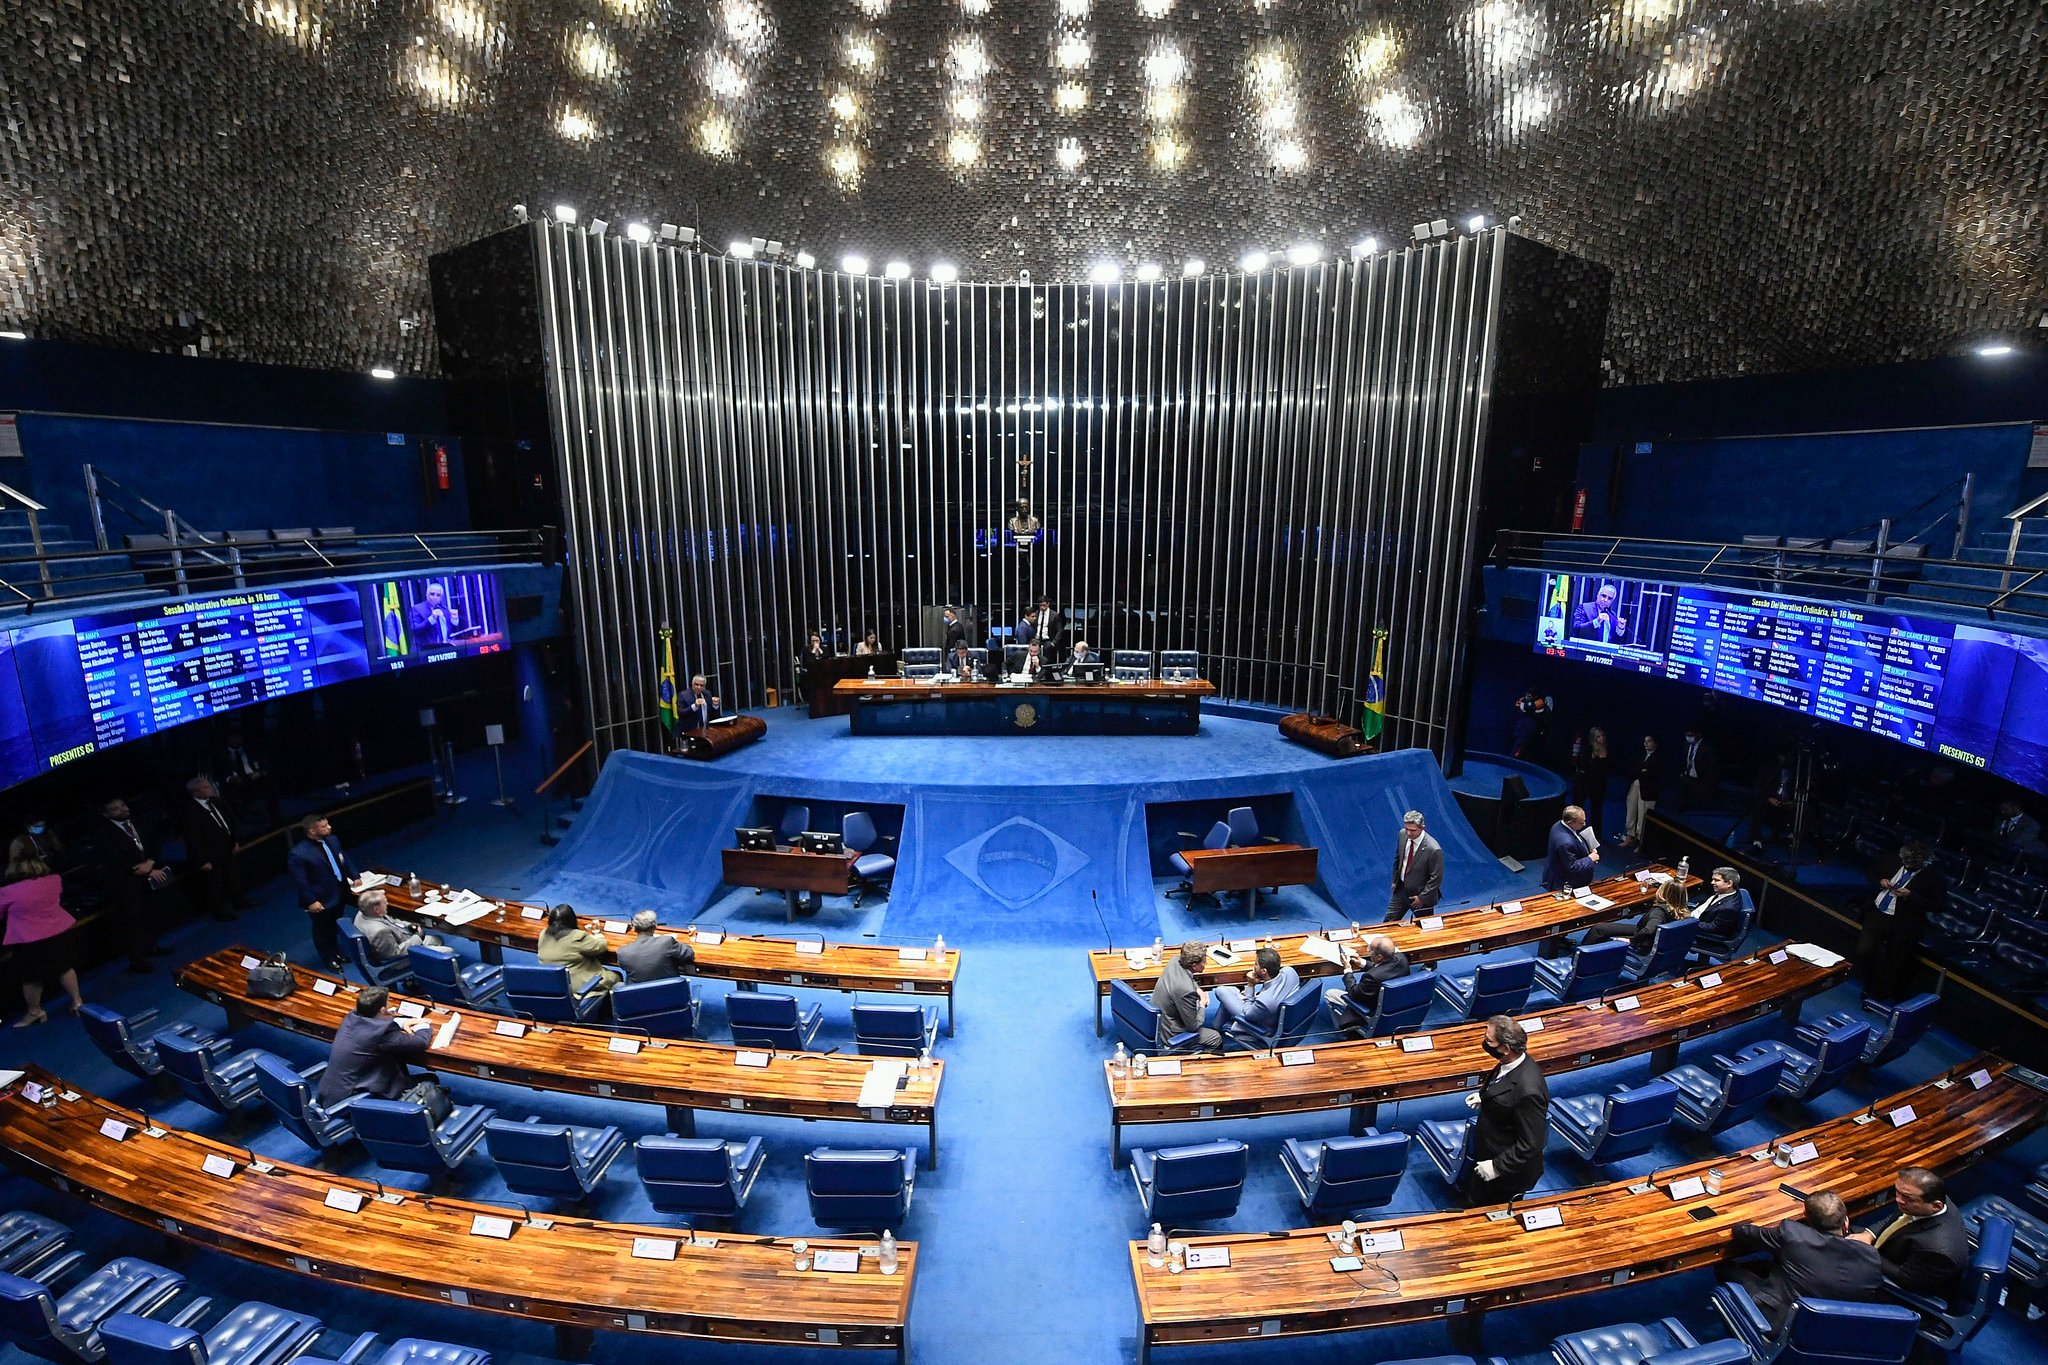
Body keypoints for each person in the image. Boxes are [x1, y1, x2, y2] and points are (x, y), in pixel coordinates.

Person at [1720, 1192, 1884, 1331]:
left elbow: (1742, 1231)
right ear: (1846, 1221)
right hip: (1840, 1331)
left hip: (1787, 1326)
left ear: (1807, 1219)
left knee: (1726, 1267)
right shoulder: (1871, 1256)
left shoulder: (1793, 1234)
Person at [1461, 1015, 1549, 1204]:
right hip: (1489, 1149)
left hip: (1507, 1174)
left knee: (1483, 1212)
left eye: (1489, 1040)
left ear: (1506, 1048)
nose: (1485, 1043)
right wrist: (1485, 1097)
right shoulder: (1513, 1063)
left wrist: (1497, 1167)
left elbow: (1532, 1144)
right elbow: (1503, 1086)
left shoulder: (1529, 1091)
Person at [1850, 1167, 1969, 1301]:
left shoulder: (1938, 1252)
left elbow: (1904, 1279)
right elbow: (1898, 1217)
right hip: (1891, 1247)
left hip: (1897, 1289)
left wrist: (1866, 1252)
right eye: (1897, 1192)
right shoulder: (1925, 1202)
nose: (1898, 1200)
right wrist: (1869, 1234)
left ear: (1936, 1206)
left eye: (1906, 1197)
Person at [1, 853, 84, 1026]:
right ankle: (77, 1002)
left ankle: (35, 1012)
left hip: (27, 939)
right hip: (56, 931)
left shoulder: (7, 892)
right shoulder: (54, 880)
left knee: (30, 977)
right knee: (63, 967)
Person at [315, 985, 433, 1106]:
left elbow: (375, 1025)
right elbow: (420, 1042)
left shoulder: (351, 1017)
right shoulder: (381, 1033)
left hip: (329, 1092)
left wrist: (403, 1022)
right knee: (431, 1080)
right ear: (382, 1010)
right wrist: (423, 1025)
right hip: (350, 1100)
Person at [92, 797, 169, 973]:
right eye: (116, 809)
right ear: (106, 814)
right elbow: (113, 859)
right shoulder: (104, 834)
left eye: (123, 806)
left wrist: (150, 862)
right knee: (133, 920)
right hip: (126, 882)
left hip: (147, 875)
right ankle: (137, 960)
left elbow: (153, 842)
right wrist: (143, 869)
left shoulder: (138, 822)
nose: (122, 810)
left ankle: (152, 946)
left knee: (149, 914)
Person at [1859, 840, 1942, 1003]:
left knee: (1893, 961)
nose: (1908, 865)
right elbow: (1871, 873)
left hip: (1903, 923)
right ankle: (1869, 983)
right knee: (1864, 951)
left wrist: (1911, 896)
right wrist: (1880, 881)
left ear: (1923, 863)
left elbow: (1937, 905)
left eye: (1913, 864)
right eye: (1906, 862)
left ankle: (1878, 993)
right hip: (1877, 914)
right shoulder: (1891, 861)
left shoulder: (1933, 879)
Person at [288, 812, 359, 970]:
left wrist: (354, 875)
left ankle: (336, 952)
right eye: (324, 826)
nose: (329, 827)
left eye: (328, 824)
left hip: (339, 892)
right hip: (320, 899)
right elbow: (301, 881)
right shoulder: (298, 853)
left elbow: (343, 858)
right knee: (322, 930)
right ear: (312, 831)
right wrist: (311, 901)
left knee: (335, 925)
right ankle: (328, 959)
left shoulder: (333, 840)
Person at [178, 776, 243, 922]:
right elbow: (192, 839)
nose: (212, 788)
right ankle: (219, 912)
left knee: (232, 876)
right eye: (207, 787)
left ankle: (239, 901)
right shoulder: (190, 812)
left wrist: (234, 841)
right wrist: (201, 860)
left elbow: (229, 821)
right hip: (209, 853)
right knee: (214, 883)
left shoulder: (216, 801)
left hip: (226, 846)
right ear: (196, 792)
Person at [1208, 946, 1299, 1047]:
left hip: (1260, 1022)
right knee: (1230, 991)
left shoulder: (1265, 1001)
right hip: (1271, 1009)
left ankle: (1215, 1030)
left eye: (1256, 964)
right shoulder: (1290, 972)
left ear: (1264, 971)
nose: (1254, 966)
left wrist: (1250, 986)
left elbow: (1248, 1014)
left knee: (1221, 991)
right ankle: (1216, 1028)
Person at [1581, 878, 1687, 955]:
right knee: (1601, 928)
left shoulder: (1659, 911)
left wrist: (1631, 941)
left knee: (1598, 929)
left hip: (1643, 942)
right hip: (1651, 938)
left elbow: (1648, 930)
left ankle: (1579, 955)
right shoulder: (1680, 910)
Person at [1325, 934, 1410, 1028]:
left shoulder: (1371, 977)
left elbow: (1353, 993)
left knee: (1330, 993)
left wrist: (1347, 969)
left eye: (1370, 949)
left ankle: (1344, 1032)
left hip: (1373, 1008)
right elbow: (1384, 969)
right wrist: (1362, 963)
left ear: (1379, 957)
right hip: (1396, 1004)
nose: (1368, 951)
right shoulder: (1402, 958)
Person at [1150, 943, 1222, 1051]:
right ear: (1194, 966)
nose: (1206, 963)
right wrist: (1202, 1005)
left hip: (1159, 1018)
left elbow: (1189, 979)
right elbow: (1193, 1026)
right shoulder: (1186, 991)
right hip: (1170, 1031)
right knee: (1216, 1037)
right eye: (1204, 961)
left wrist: (1197, 989)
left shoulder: (1174, 961)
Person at [538, 903, 620, 996]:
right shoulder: (578, 936)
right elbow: (600, 947)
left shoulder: (543, 934)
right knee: (616, 976)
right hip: (581, 987)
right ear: (572, 920)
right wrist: (598, 935)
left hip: (555, 985)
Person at [353, 887, 437, 964]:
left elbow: (392, 921)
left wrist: (408, 925)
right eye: (385, 904)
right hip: (401, 959)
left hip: (400, 938)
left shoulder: (364, 912)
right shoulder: (380, 931)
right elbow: (394, 954)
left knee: (437, 939)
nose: (387, 904)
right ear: (376, 909)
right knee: (447, 951)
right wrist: (418, 937)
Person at [1386, 810, 1444, 920]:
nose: (1408, 833)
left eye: (1412, 830)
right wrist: (1395, 880)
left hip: (1420, 895)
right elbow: (1398, 858)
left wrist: (1422, 897)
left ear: (1422, 827)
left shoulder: (1433, 849)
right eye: (1406, 829)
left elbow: (1436, 878)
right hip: (1401, 890)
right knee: (1388, 923)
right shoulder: (1402, 834)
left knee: (1425, 925)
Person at [219, 727, 281, 825]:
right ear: (229, 739)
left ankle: (275, 819)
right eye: (235, 738)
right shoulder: (222, 755)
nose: (238, 740)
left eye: (240, 737)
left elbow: (267, 764)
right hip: (235, 782)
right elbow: (219, 774)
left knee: (269, 787)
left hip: (256, 778)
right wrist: (230, 779)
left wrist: (260, 773)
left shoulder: (252, 749)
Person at [617, 909, 697, 982]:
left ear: (634, 929)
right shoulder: (667, 942)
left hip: (639, 996)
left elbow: (624, 966)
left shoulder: (623, 952)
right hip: (670, 993)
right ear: (655, 927)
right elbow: (689, 953)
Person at [1542, 806, 1600, 891]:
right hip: (1566, 883)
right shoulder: (1566, 842)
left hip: (1557, 871)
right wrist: (1590, 859)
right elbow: (1572, 866)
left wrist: (1587, 847)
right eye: (1581, 822)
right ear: (1570, 822)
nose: (1584, 824)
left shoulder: (1559, 824)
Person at [1619, 733, 1662, 847]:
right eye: (1644, 741)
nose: (1646, 744)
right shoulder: (1640, 755)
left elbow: (1652, 773)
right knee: (1631, 811)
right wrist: (1641, 771)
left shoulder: (1659, 757)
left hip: (1648, 790)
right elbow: (1632, 769)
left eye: (1649, 741)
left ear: (1655, 743)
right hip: (1635, 784)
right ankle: (1630, 836)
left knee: (1643, 815)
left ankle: (1641, 841)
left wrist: (1643, 772)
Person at [1568, 728, 1612, 829]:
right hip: (1584, 782)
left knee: (1597, 809)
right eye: (1598, 736)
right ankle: (1573, 827)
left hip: (1599, 784)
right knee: (1578, 807)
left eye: (1603, 736)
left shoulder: (1608, 750)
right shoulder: (1588, 749)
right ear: (1594, 738)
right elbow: (1583, 766)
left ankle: (1596, 834)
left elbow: (1609, 768)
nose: (1602, 738)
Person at [1691, 866, 1750, 941]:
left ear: (1729, 883)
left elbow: (1713, 927)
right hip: (1697, 915)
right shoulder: (1728, 890)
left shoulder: (1729, 908)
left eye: (1716, 880)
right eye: (1713, 879)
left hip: (1699, 929)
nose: (1712, 882)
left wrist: (1689, 923)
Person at [1676, 727, 1720, 812]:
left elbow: (1712, 767)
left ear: (1698, 735)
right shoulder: (1686, 745)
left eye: (1690, 735)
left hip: (1700, 778)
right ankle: (1682, 808)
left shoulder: (1708, 748)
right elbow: (1684, 760)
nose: (1688, 737)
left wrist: (1707, 780)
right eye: (1686, 735)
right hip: (1687, 776)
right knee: (1681, 789)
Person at [408, 580, 462, 646]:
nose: (435, 597)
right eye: (432, 594)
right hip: (425, 649)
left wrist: (455, 620)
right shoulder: (417, 608)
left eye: (438, 595)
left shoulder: (445, 609)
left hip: (445, 647)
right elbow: (415, 630)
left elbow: (451, 631)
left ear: (441, 598)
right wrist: (431, 619)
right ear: (427, 595)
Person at [1510, 687, 1553, 760]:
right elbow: (1517, 705)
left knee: (1517, 754)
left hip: (1528, 734)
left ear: (1535, 696)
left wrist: (1522, 705)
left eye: (1529, 696)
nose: (1527, 697)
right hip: (1520, 731)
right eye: (1526, 695)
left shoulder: (1540, 704)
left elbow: (1526, 707)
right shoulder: (1525, 700)